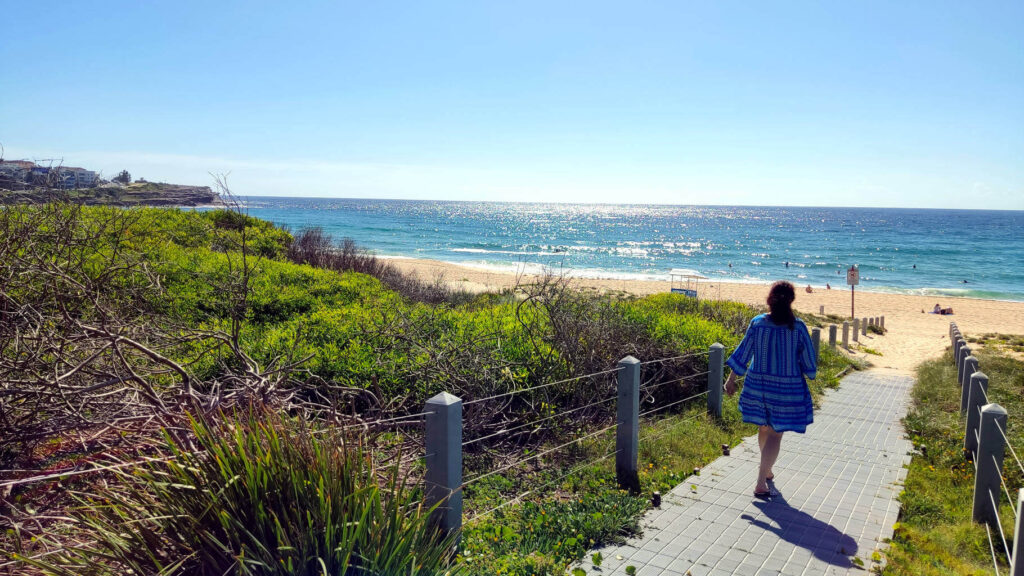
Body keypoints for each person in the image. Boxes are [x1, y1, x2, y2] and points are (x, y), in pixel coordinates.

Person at [725, 281, 816, 499]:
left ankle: (767, 469)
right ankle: (760, 482)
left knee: (764, 429)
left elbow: (743, 353)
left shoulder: (757, 323)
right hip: (786, 388)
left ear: (770, 299)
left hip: (758, 385)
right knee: (775, 434)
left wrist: (731, 379)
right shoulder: (798, 327)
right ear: (792, 300)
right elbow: (809, 363)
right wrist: (808, 373)